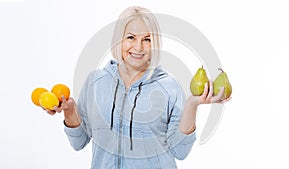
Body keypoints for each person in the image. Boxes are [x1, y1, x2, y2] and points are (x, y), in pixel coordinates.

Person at [45, 6, 230, 169]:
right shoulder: (95, 82)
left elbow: (180, 151)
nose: (139, 47)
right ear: (119, 40)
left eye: (147, 39)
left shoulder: (169, 87)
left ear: (155, 43)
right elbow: (78, 142)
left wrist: (192, 105)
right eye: (131, 37)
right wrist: (69, 111)